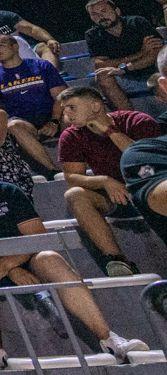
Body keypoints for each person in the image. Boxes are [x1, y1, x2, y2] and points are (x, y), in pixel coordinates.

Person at [0, 151, 149, 369]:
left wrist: (8, 264)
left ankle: (109, 339)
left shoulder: (8, 191)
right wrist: (10, 270)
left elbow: (36, 237)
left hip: (22, 259)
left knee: (50, 258)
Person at [55, 85, 158, 278]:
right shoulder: (71, 135)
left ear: (95, 106)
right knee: (74, 194)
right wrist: (104, 181)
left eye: (72, 107)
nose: (67, 114)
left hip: (151, 188)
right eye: (64, 109)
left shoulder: (137, 121)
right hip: (116, 196)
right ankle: (117, 260)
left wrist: (110, 131)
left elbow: (146, 158)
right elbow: (72, 177)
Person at [85, 0, 165, 115]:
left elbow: (156, 54)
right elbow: (100, 64)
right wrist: (141, 53)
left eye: (104, 11)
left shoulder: (137, 22)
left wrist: (126, 68)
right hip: (124, 77)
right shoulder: (93, 34)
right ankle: (131, 119)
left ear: (117, 11)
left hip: (153, 71)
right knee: (102, 74)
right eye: (94, 14)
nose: (101, 17)